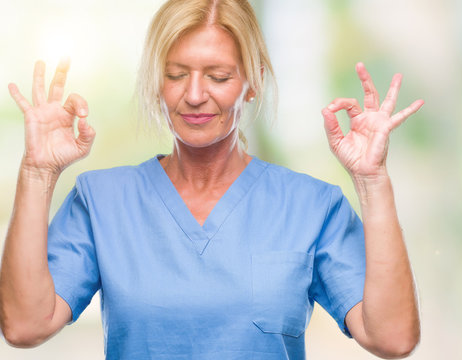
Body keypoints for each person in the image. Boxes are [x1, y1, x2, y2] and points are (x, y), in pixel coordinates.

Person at [0, 0, 424, 359]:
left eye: (218, 76)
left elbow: (392, 338)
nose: (196, 94)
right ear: (156, 80)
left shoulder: (313, 207)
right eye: (176, 74)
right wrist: (37, 172)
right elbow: (23, 326)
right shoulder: (101, 201)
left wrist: (372, 180)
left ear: (253, 80)